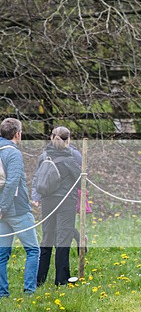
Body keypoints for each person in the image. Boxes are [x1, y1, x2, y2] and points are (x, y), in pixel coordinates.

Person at [31, 126, 82, 287]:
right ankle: (61, 279)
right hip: (66, 202)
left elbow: (38, 177)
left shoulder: (43, 156)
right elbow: (80, 182)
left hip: (47, 201)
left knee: (47, 238)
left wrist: (36, 196)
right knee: (63, 239)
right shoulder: (70, 158)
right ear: (68, 140)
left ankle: (39, 279)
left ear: (51, 137)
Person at [0, 118, 40, 297]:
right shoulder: (13, 153)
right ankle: (29, 291)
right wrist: (3, 207)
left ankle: (3, 293)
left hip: (3, 212)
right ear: (18, 134)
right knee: (33, 250)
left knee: (2, 255)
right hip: (16, 210)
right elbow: (12, 182)